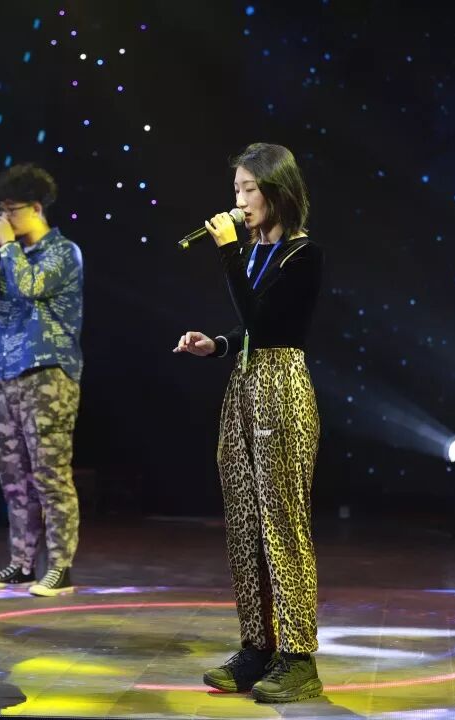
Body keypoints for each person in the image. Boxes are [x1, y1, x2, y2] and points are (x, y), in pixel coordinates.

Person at [173, 143, 324, 703]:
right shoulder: (258, 254)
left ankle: (298, 657)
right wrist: (216, 344)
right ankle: (257, 647)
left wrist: (229, 254)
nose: (238, 201)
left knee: (282, 524)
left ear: (277, 191)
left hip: (281, 391)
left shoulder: (303, 255)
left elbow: (268, 325)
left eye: (248, 189)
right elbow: (248, 329)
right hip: (243, 387)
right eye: (235, 189)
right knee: (244, 526)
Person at [0, 163, 84, 598]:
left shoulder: (63, 252)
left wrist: (7, 249)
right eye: (0, 211)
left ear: (36, 208)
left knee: (49, 474)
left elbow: (31, 286)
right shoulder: (8, 253)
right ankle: (21, 563)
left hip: (48, 375)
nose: (5, 219)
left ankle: (60, 567)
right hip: (6, 373)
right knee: (13, 476)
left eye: (12, 210)